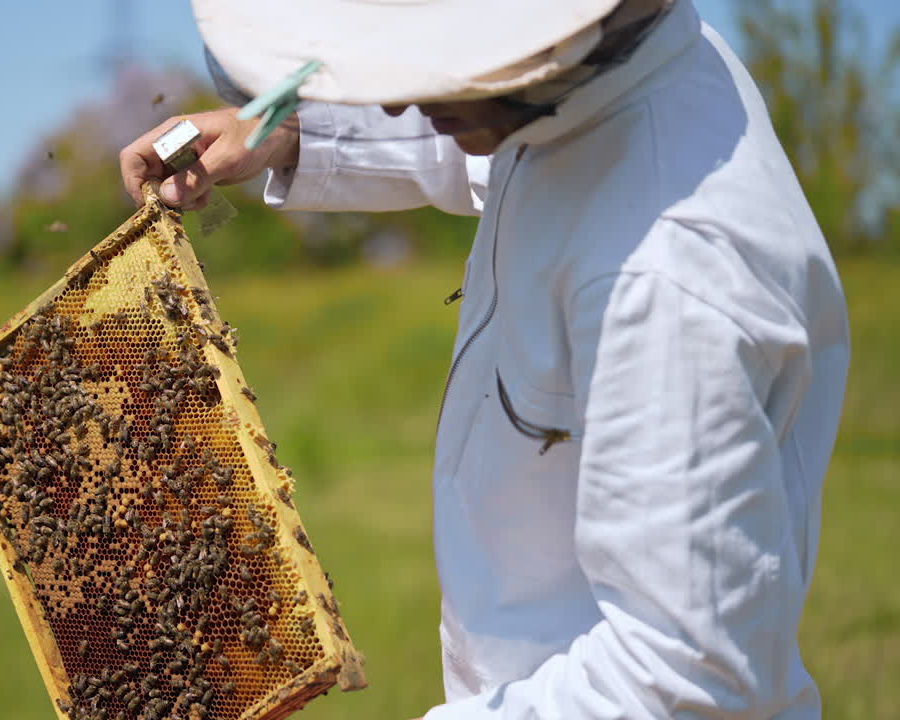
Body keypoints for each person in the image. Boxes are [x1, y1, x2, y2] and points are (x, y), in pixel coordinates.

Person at [119, 0, 850, 717]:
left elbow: (687, 679)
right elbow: (491, 133)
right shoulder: (594, 84)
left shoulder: (669, 275)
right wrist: (292, 135)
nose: (404, 102)